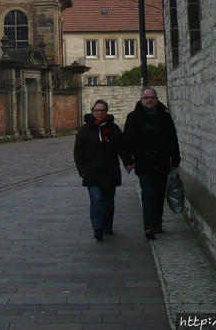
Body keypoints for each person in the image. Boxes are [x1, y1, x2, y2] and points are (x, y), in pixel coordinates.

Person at [122, 87, 181, 240]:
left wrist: (175, 159)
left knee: (159, 194)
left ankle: (157, 223)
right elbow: (126, 141)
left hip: (162, 161)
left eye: (152, 98)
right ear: (141, 100)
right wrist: (128, 161)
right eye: (146, 98)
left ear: (156, 99)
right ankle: (149, 226)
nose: (149, 100)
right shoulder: (133, 117)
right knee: (148, 194)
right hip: (143, 163)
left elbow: (172, 139)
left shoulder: (164, 116)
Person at [73, 99, 130, 242]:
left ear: (106, 111)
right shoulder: (84, 130)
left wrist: (128, 162)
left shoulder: (113, 129)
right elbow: (78, 153)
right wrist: (82, 170)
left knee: (109, 201)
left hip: (110, 171)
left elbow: (122, 148)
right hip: (91, 172)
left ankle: (107, 226)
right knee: (97, 199)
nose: (100, 113)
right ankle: (97, 228)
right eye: (97, 110)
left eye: (102, 110)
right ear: (92, 112)